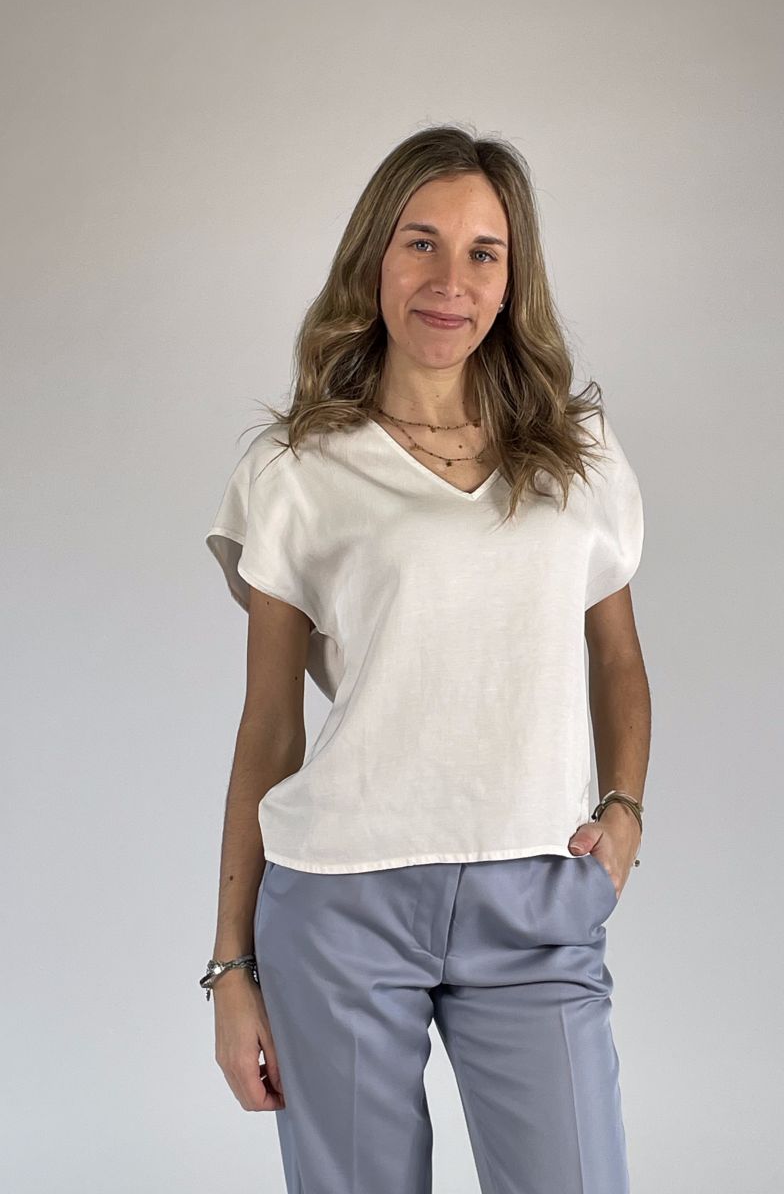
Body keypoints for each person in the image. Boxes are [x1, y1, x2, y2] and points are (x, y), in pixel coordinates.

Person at [201, 124, 650, 1194]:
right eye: (421, 244)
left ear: (512, 278)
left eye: (483, 252)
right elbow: (270, 724)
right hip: (340, 904)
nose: (451, 281)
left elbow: (619, 660)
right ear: (374, 257)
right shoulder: (295, 470)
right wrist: (232, 967)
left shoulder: (577, 455)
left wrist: (625, 809)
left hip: (536, 896)